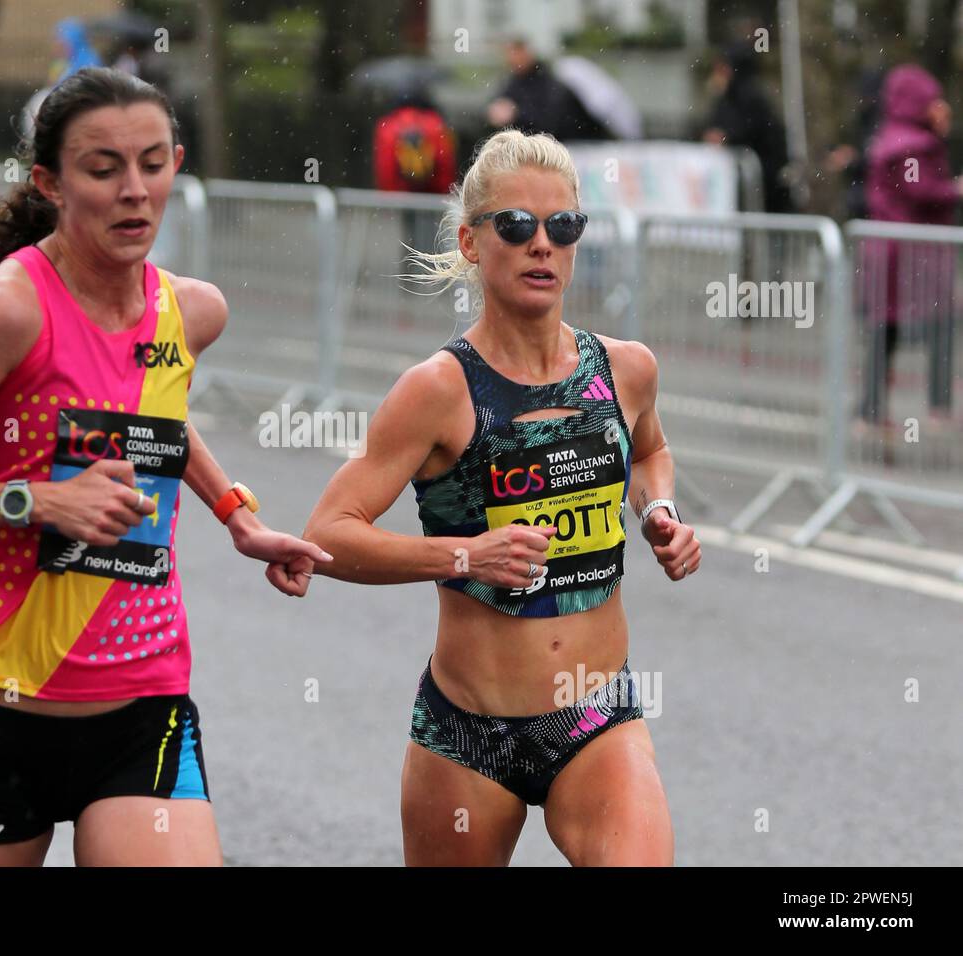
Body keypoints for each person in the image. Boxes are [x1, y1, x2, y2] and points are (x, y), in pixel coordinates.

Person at [0, 67, 329, 866]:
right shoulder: (8, 312)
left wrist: (238, 516)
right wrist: (33, 503)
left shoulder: (192, 311)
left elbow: (154, 419)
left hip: (146, 705)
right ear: (51, 183)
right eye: (103, 170)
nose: (134, 190)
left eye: (153, 163)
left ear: (177, 162)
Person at [302, 130, 699, 866]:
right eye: (516, 226)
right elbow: (329, 533)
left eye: (563, 226)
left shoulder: (626, 370)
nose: (541, 245)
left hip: (596, 717)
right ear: (473, 241)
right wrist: (463, 554)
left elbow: (649, 451)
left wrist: (659, 512)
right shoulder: (437, 391)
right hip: (468, 732)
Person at [859, 63, 961, 426]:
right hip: (910, 254)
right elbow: (919, 190)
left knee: (886, 329)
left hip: (890, 250)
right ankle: (937, 406)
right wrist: (956, 189)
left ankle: (871, 410)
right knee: (939, 324)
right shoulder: (914, 144)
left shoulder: (892, 136)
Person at [701, 42, 794, 214]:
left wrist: (727, 137)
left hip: (764, 188)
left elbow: (754, 131)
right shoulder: (726, 97)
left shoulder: (751, 97)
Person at [373, 86, 458, 256]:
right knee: (433, 237)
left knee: (409, 234)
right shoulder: (435, 123)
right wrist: (445, 192)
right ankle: (430, 272)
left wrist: (389, 195)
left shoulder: (388, 125)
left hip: (405, 193)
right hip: (431, 194)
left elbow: (385, 166)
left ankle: (409, 272)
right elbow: (445, 161)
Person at [486, 39, 610, 143]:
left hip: (564, 145)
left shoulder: (548, 82)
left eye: (516, 52)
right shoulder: (512, 81)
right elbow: (497, 107)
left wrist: (516, 114)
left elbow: (549, 120)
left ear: (527, 53)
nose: (512, 58)